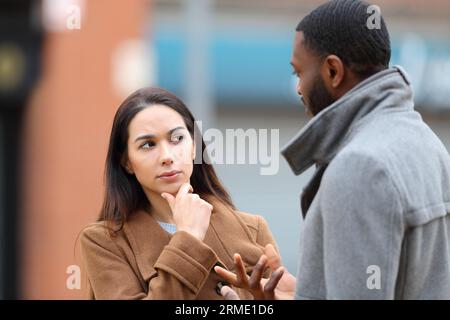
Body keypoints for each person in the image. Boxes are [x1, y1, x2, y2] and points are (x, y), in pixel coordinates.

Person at [215, 0, 450, 299]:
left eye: (299, 72)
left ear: (333, 71)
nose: (299, 88)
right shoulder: (427, 143)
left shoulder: (361, 165)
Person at [78, 87, 283, 299]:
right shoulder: (104, 242)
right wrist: (188, 239)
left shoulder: (252, 229)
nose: (167, 156)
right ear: (127, 162)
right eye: (148, 144)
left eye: (177, 138)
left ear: (194, 147)